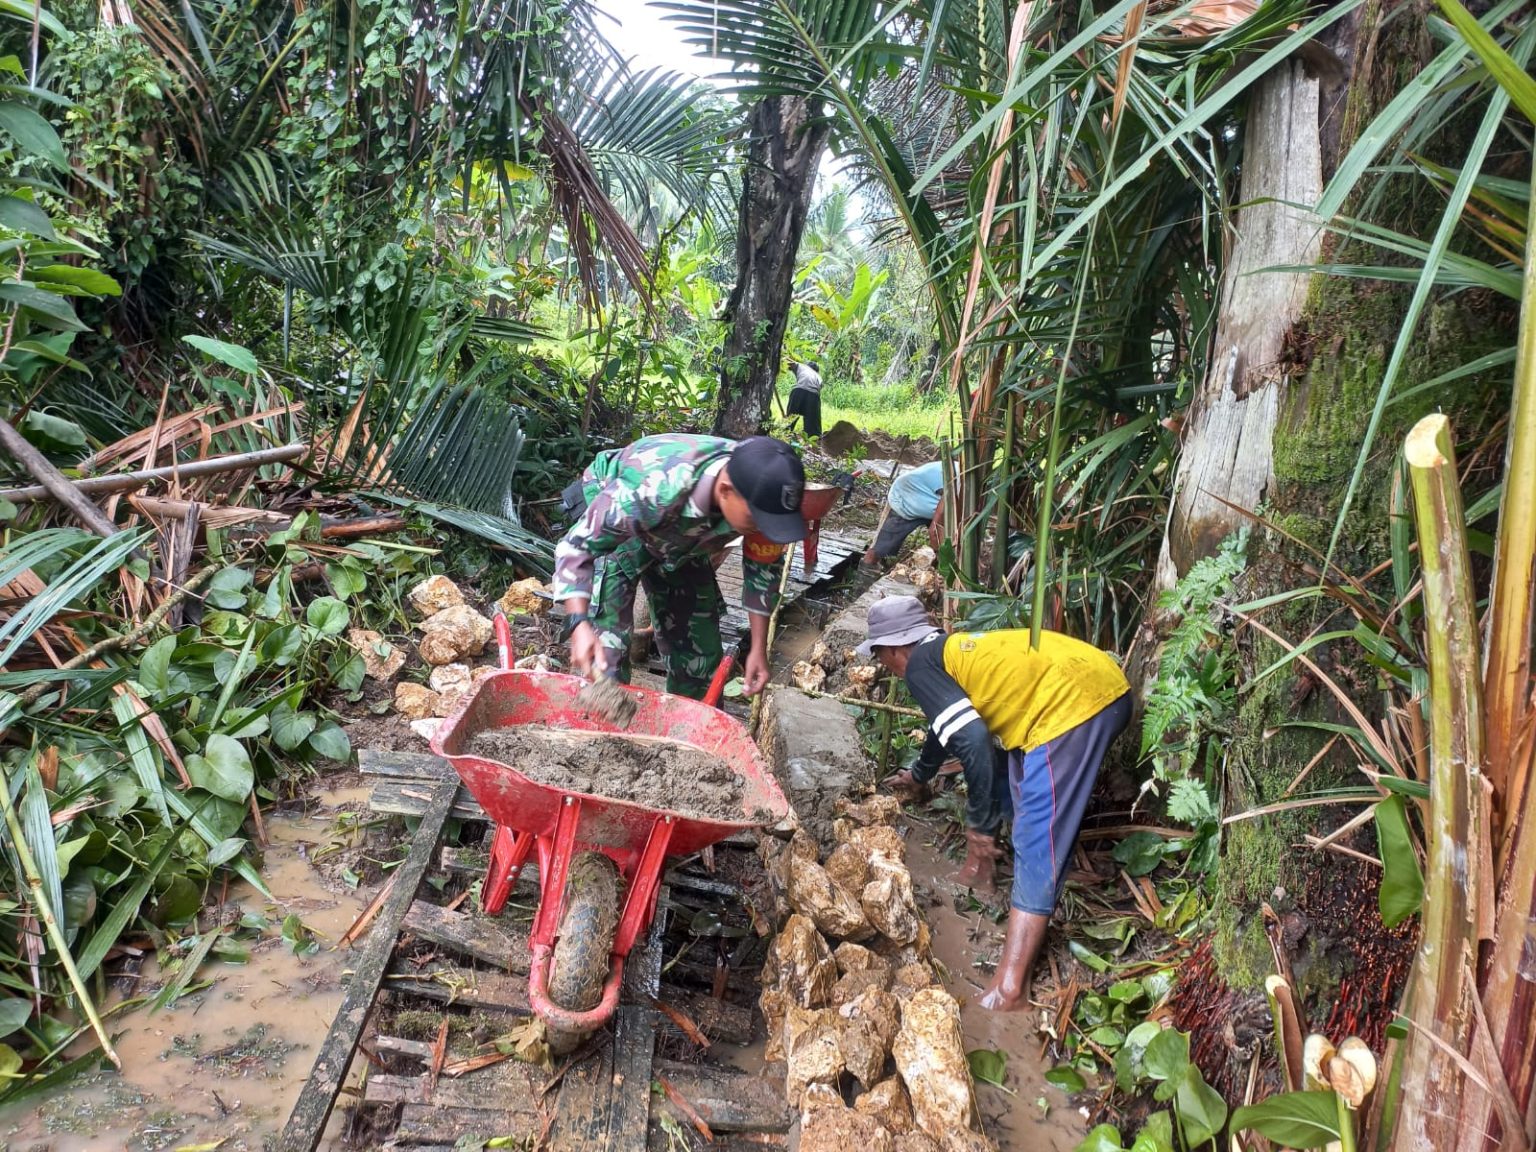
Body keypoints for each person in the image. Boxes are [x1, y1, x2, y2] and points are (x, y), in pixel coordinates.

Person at [859, 596, 1131, 1011]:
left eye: (881, 659)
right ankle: (1024, 871)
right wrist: (919, 775)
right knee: (1019, 782)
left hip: (1076, 704)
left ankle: (1010, 987)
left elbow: (973, 741)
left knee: (1038, 831)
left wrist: (980, 831)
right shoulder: (950, 652)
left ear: (896, 648)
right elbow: (947, 728)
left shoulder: (918, 667)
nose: (886, 669)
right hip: (1097, 683)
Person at [554, 434, 807, 700]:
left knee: (698, 660)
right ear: (725, 490)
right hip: (620, 526)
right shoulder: (653, 490)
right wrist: (579, 624)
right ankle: (601, 731)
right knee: (605, 661)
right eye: (757, 520)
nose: (764, 528)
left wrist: (758, 648)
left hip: (685, 534)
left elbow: (762, 574)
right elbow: (576, 548)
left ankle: (691, 732)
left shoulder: (765, 499)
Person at [863, 460, 944, 566]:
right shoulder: (958, 479)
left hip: (930, 497)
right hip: (907, 497)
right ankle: (865, 573)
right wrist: (939, 554)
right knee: (882, 547)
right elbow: (934, 531)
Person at [785, 360, 823, 438]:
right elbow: (819, 389)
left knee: (791, 418)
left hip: (798, 391)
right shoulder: (819, 377)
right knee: (813, 423)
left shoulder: (802, 366)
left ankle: (785, 434)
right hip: (814, 395)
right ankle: (814, 438)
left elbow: (788, 362)